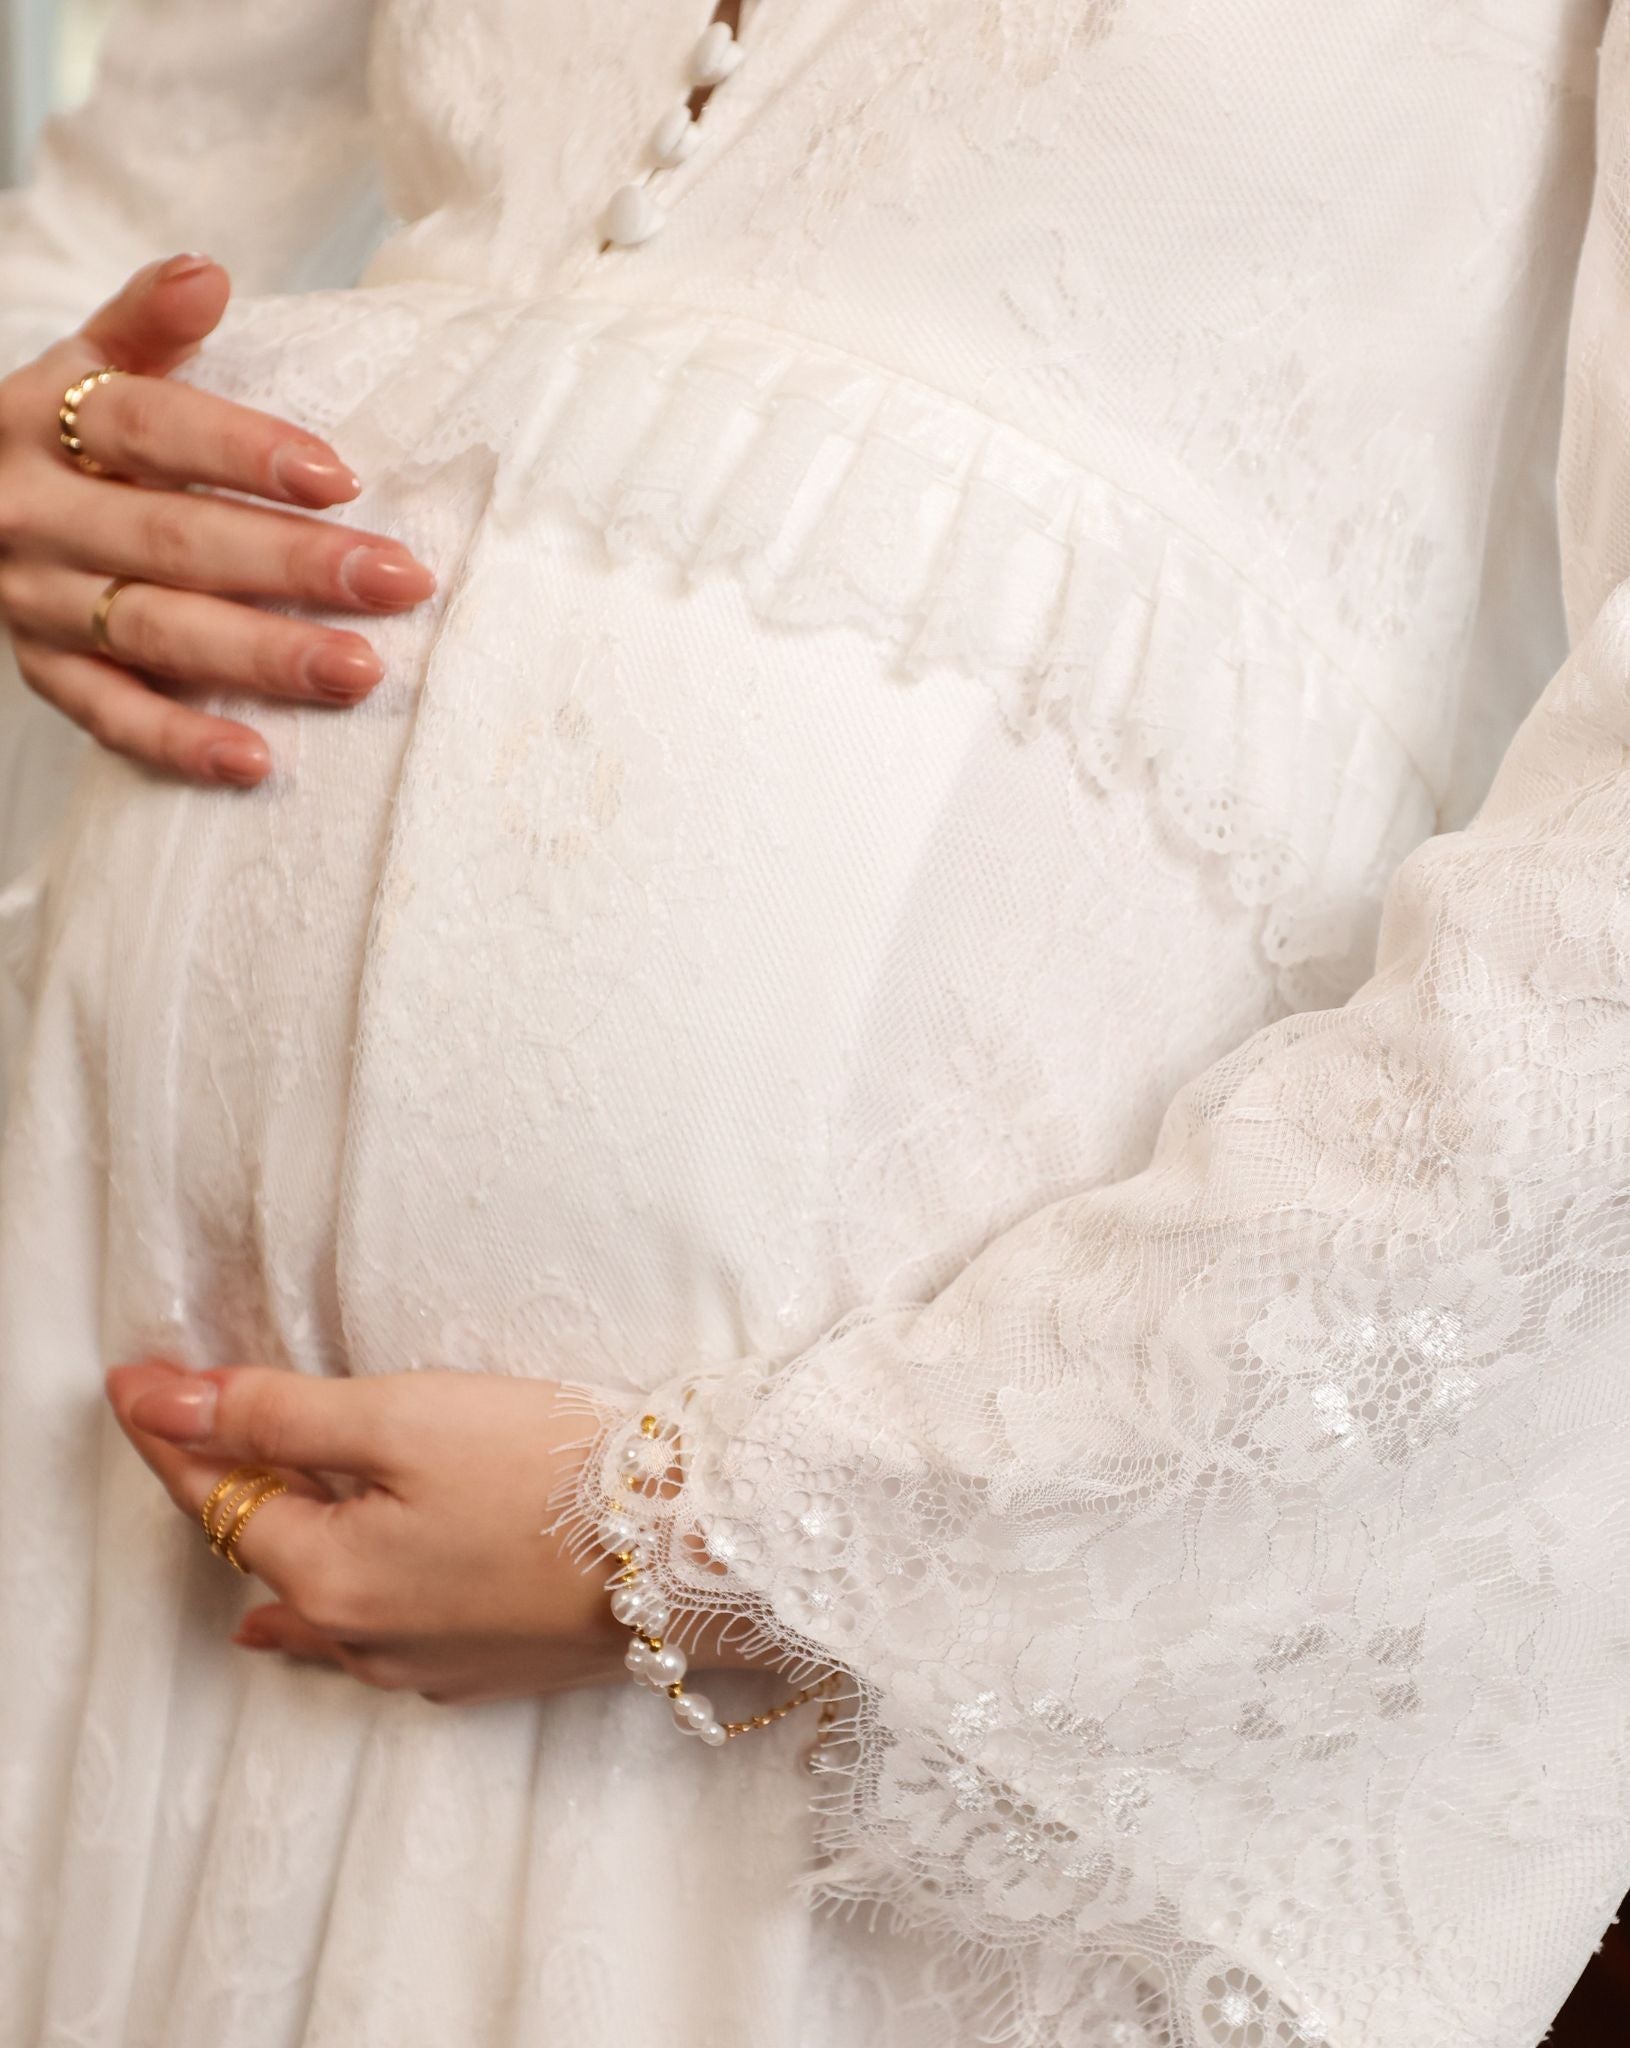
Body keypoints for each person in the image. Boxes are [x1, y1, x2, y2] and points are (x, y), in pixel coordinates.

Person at [1, 1, 1628, 2043]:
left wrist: (748, 1537)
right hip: (116, 1436)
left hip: (861, 1649)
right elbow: (93, 257)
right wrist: (29, 443)